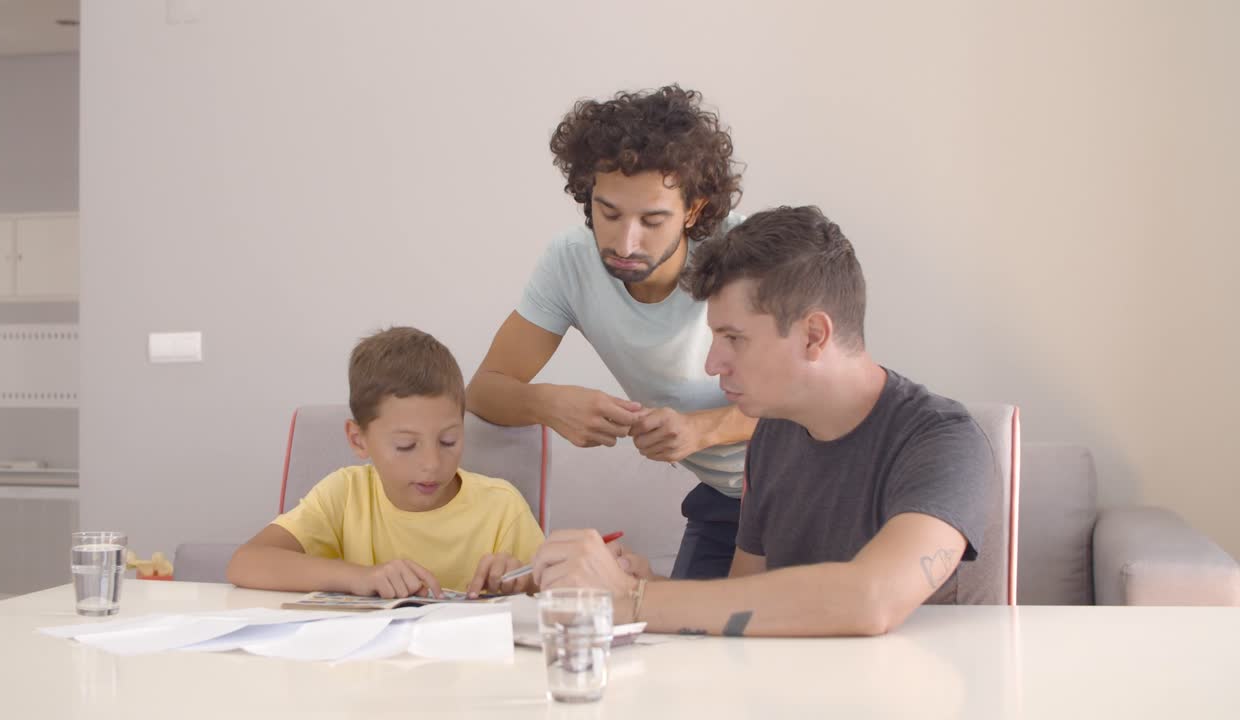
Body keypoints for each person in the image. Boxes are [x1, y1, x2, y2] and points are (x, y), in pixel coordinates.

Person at [532, 206, 994, 636]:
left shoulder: (944, 441)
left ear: (814, 335)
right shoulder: (773, 434)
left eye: (734, 338)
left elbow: (871, 599)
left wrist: (636, 600)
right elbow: (739, 606)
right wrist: (642, 582)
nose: (713, 364)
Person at [466, 85, 754, 579]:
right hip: (724, 502)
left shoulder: (746, 252)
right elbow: (484, 389)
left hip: (807, 483)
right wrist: (549, 404)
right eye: (609, 213)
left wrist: (700, 429)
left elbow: (818, 397)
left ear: (693, 210)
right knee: (681, 639)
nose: (625, 241)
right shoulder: (570, 263)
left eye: (653, 219)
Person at [226, 327, 544, 599]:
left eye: (448, 440)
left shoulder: (502, 507)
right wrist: (360, 577)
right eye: (406, 446)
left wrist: (525, 580)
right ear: (358, 439)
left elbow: (559, 592)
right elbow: (246, 562)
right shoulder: (344, 494)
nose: (432, 464)